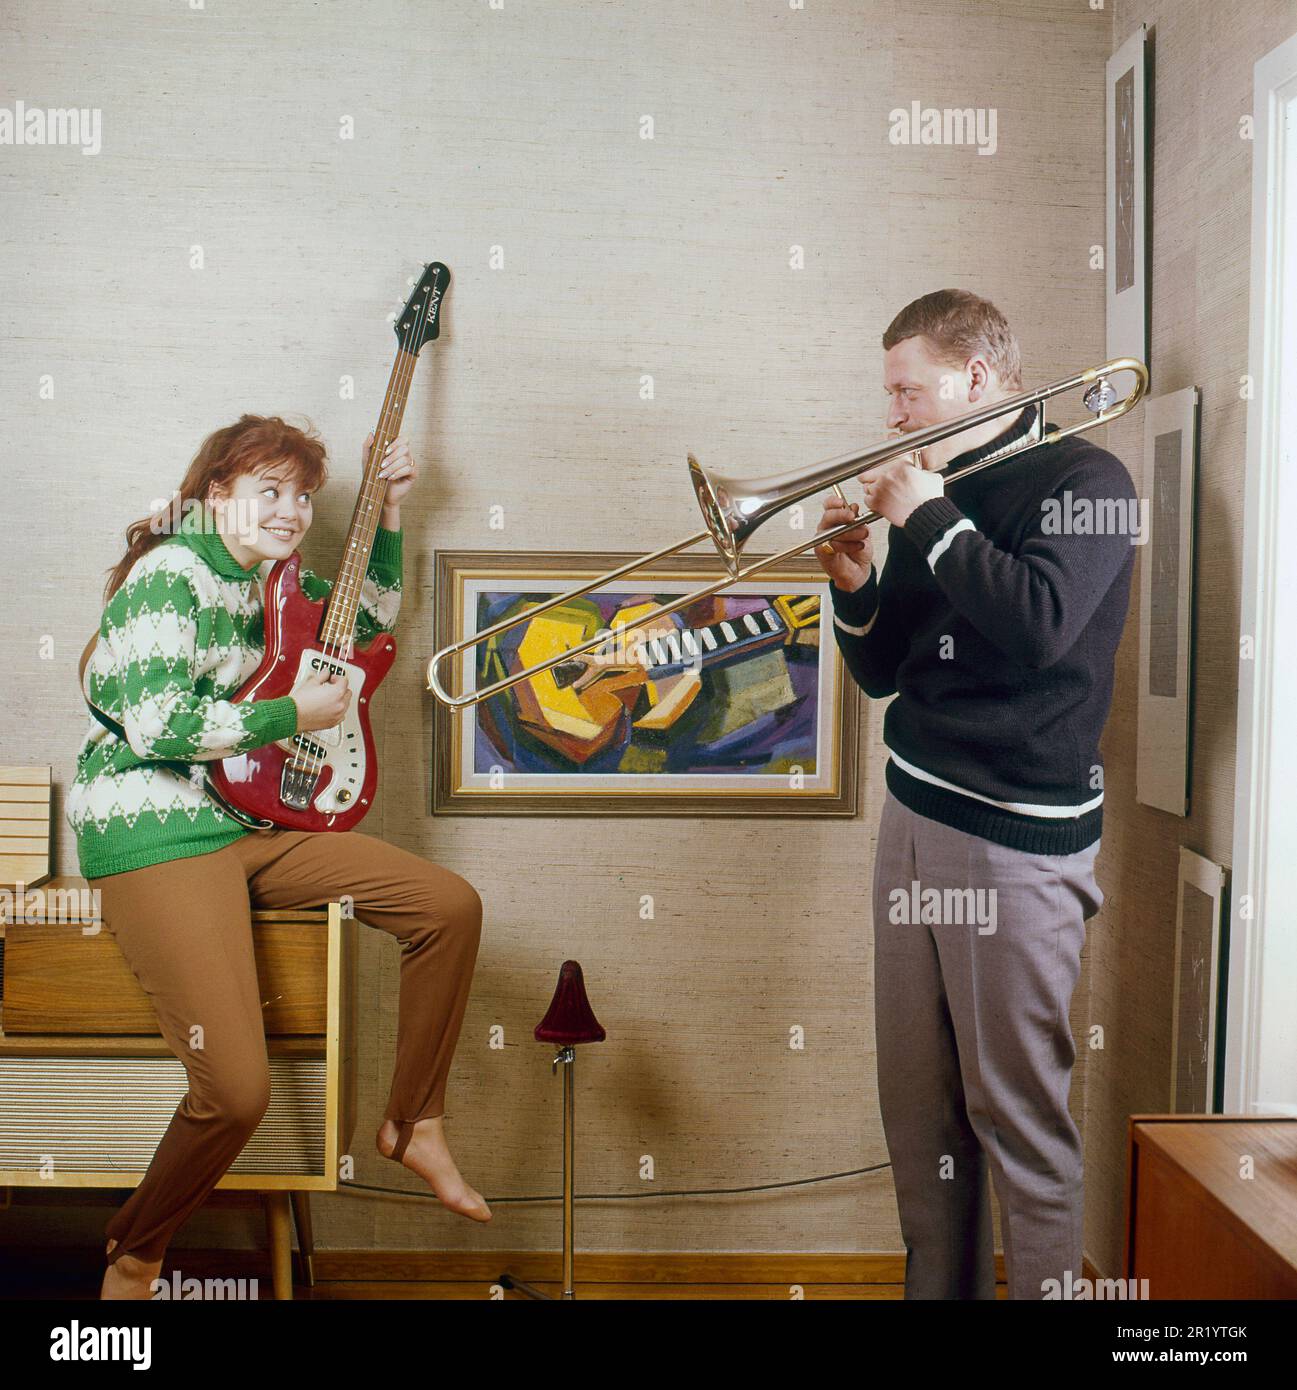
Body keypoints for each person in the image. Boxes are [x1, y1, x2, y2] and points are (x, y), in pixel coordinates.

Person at [66, 414, 488, 1301]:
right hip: (155, 833)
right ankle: (135, 1256)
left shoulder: (272, 577)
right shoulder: (168, 576)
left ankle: (412, 1123)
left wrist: (393, 512)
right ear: (216, 494)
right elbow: (158, 725)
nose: (292, 510)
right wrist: (289, 716)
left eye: (302, 494)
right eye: (271, 491)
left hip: (241, 823)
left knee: (445, 906)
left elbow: (365, 622)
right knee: (239, 1091)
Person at [815, 289, 1137, 1300]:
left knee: (1019, 1118)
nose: (894, 416)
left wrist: (925, 513)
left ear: (980, 379)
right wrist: (854, 580)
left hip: (1016, 840)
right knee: (919, 1117)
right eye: (892, 396)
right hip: (914, 814)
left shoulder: (1090, 477)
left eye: (907, 392)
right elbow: (885, 675)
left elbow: (1038, 624)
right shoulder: (938, 489)